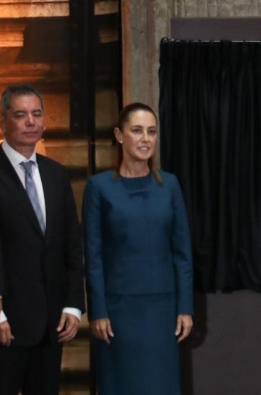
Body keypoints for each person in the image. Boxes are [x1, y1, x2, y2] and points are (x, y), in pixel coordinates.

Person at [84, 103, 194, 394]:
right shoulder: (99, 187)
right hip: (117, 313)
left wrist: (185, 307)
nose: (146, 138)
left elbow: (182, 254)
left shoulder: (169, 185)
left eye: (152, 132)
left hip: (163, 311)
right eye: (137, 131)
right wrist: (98, 310)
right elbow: (93, 257)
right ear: (120, 135)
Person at [0, 84, 84, 395]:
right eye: (21, 114)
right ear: (2, 122)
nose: (31, 122)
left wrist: (73, 306)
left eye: (37, 114)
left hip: (52, 324)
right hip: (5, 324)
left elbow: (70, 244)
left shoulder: (56, 173)